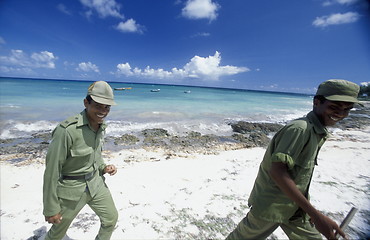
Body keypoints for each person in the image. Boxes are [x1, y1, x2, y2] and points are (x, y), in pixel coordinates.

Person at [226, 79, 360, 240]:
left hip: (295, 207)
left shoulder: (316, 131)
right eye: (334, 107)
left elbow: (296, 175)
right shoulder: (300, 129)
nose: (341, 114)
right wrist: (316, 216)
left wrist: (309, 210)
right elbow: (277, 172)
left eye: (347, 110)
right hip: (272, 206)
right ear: (316, 102)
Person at [43, 81, 119, 240]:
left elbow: (95, 154)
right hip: (72, 190)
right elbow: (52, 171)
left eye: (107, 107)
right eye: (98, 106)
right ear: (86, 102)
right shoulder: (67, 131)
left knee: (111, 219)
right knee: (57, 234)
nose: (103, 111)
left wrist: (103, 167)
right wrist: (51, 208)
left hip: (96, 184)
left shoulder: (101, 126)